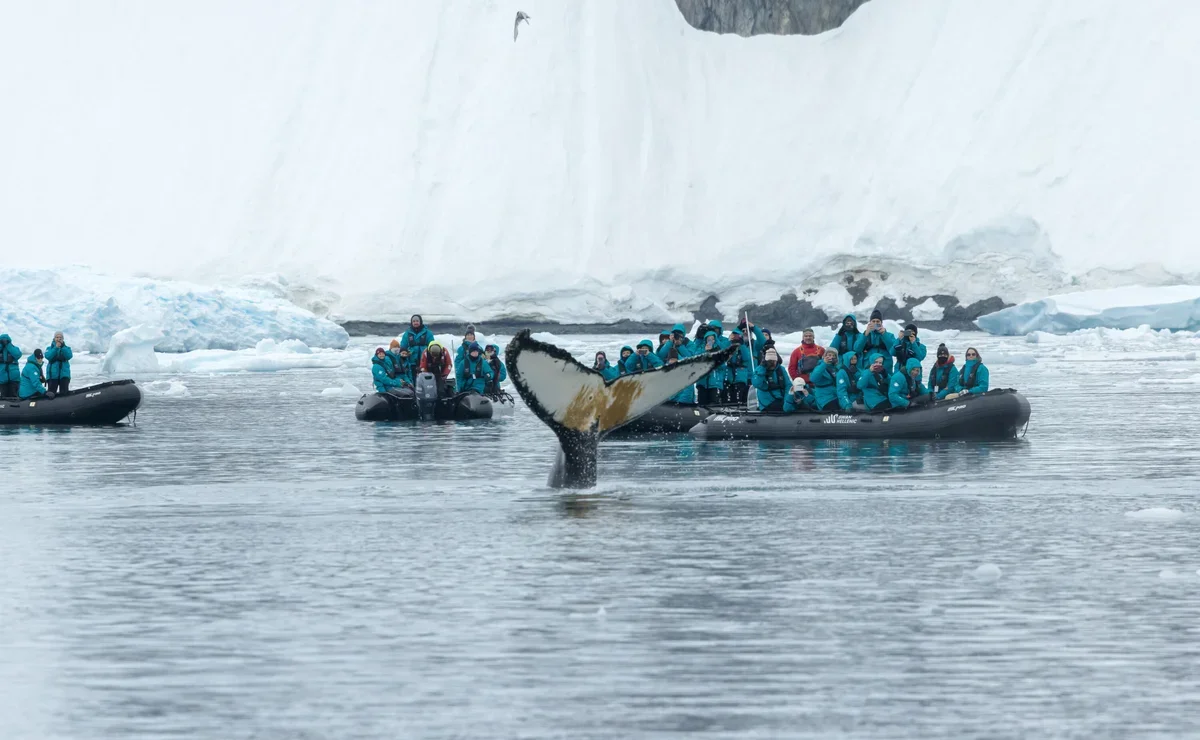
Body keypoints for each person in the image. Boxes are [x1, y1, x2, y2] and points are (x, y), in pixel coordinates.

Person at [853, 310, 897, 375]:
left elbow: (894, 351)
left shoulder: (889, 335)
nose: (875, 323)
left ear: (881, 323)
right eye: (873, 321)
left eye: (878, 321)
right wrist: (866, 334)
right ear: (870, 323)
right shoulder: (864, 335)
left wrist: (884, 334)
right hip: (868, 368)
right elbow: (857, 349)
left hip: (885, 370)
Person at [694, 330, 725, 404]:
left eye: (712, 339)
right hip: (702, 382)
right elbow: (695, 360)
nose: (710, 341)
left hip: (715, 382)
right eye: (708, 339)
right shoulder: (700, 349)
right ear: (705, 340)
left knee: (714, 403)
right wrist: (705, 351)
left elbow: (723, 365)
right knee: (702, 403)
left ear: (715, 340)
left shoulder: (719, 350)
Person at [725, 328, 754, 404]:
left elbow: (746, 358)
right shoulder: (729, 346)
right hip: (730, 376)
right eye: (734, 336)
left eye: (737, 336)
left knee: (739, 396)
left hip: (740, 376)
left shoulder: (743, 347)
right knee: (731, 396)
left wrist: (741, 344)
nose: (735, 338)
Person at [807, 348, 841, 412]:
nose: (831, 357)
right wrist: (824, 363)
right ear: (824, 356)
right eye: (829, 355)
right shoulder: (819, 366)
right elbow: (813, 378)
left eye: (834, 356)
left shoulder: (835, 368)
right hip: (825, 398)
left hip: (835, 395)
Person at [0, 333, 21, 398]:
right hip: (2, 377)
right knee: (3, 397)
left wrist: (8, 345)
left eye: (6, 340)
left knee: (14, 396)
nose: (4, 341)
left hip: (14, 378)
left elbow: (18, 355)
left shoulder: (14, 348)